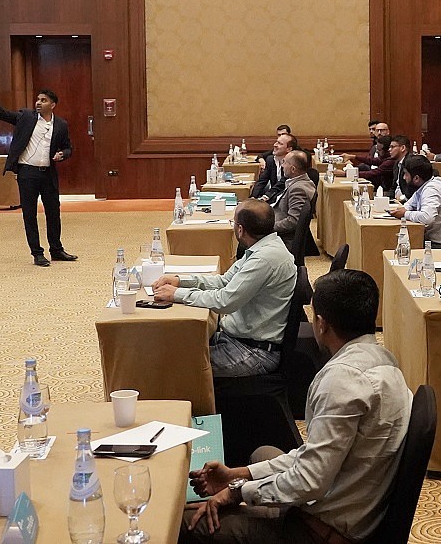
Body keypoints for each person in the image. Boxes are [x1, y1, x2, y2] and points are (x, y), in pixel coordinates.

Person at [180, 269, 412, 544]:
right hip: (351, 497)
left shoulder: (342, 381)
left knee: (186, 524)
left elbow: (311, 480)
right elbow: (317, 456)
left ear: (322, 324)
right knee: (262, 454)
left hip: (321, 530)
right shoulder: (386, 362)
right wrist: (238, 475)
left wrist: (236, 491)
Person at [153, 199, 296, 378]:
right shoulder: (263, 248)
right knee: (177, 344)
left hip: (254, 352)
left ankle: (194, 406)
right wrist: (180, 281)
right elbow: (224, 281)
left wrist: (178, 295)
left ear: (240, 229)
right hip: (239, 339)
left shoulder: (265, 259)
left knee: (173, 364)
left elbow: (225, 301)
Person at [0, 82, 76, 266]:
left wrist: (63, 154)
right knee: (29, 214)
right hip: (27, 174)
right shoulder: (26, 117)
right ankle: (37, 253)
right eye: (38, 100)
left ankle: (56, 250)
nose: (38, 103)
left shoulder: (61, 125)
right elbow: (2, 114)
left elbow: (68, 148)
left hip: (48, 174)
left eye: (44, 100)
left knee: (53, 213)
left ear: (53, 105)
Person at [388, 155, 441, 248]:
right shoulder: (425, 185)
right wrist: (401, 211)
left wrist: (405, 214)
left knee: (398, 246)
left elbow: (427, 218)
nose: (404, 178)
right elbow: (409, 205)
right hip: (438, 241)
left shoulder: (432, 189)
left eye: (406, 174)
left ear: (416, 178)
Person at [272, 151, 317, 245]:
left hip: (282, 239)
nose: (282, 166)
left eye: (284, 162)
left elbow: (293, 222)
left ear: (293, 169)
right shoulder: (298, 182)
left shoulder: (298, 189)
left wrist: (266, 227)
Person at [251, 134, 297, 204]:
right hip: (272, 198)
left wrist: (266, 196)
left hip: (286, 200)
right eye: (276, 142)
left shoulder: (292, 163)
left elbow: (283, 183)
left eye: (280, 143)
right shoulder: (270, 160)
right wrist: (253, 197)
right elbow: (262, 181)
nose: (275, 145)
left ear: (289, 149)